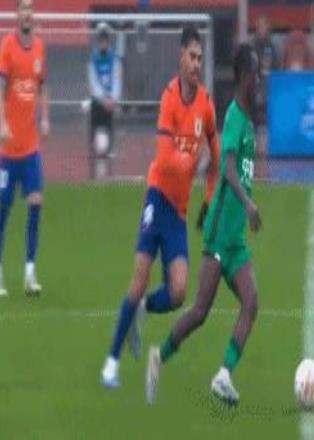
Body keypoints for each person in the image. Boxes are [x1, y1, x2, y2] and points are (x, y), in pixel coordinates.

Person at [101, 26, 220, 389]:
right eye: (192, 56)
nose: (197, 64)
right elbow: (165, 158)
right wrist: (192, 161)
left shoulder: (206, 104)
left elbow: (216, 158)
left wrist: (208, 199)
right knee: (138, 279)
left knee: (180, 291)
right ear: (181, 56)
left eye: (200, 58)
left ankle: (143, 309)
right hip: (157, 198)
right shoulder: (169, 99)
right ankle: (111, 363)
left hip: (179, 211)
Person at [145, 43, 262, 406]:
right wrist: (248, 204)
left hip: (235, 239)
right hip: (218, 234)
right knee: (199, 311)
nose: (259, 80)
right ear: (244, 76)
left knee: (251, 303)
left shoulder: (249, 119)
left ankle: (223, 375)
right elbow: (227, 167)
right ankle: (159, 356)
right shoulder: (234, 118)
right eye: (256, 73)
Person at [0, 0, 49, 297]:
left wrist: (46, 117)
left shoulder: (39, 47)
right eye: (23, 8)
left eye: (30, 8)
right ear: (17, 14)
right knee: (3, 209)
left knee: (36, 203)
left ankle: (29, 273)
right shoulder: (7, 46)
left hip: (30, 149)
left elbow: (42, 86)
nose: (27, 13)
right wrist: (2, 123)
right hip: (9, 151)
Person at [88, 22, 122, 177]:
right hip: (99, 100)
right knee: (94, 119)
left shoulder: (114, 58)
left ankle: (108, 149)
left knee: (109, 122)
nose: (103, 44)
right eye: (101, 41)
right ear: (98, 42)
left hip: (110, 99)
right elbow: (93, 81)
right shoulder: (93, 59)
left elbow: (117, 80)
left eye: (105, 41)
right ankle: (93, 147)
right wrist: (103, 99)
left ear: (108, 42)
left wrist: (113, 98)